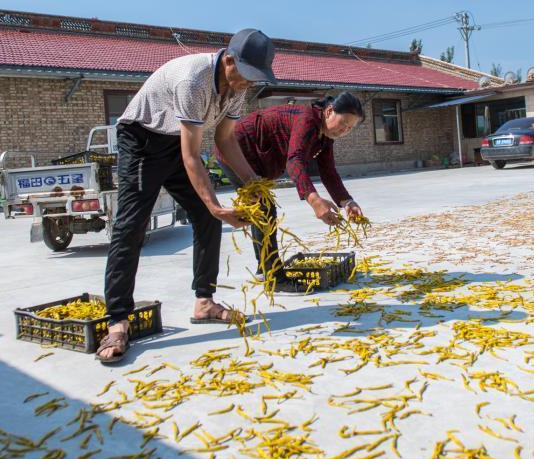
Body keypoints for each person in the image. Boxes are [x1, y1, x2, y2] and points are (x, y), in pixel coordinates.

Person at [97, 29, 277, 363]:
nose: (249, 84)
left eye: (256, 78)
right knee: (131, 225)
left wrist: (254, 183)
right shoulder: (192, 80)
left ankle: (204, 301)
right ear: (228, 60)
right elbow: (192, 157)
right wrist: (216, 205)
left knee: (207, 217)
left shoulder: (237, 87)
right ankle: (118, 320)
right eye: (247, 75)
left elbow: (225, 140)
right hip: (142, 140)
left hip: (176, 141)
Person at [216, 92, 365, 292]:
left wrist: (347, 202)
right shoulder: (307, 120)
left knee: (262, 209)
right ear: (329, 111)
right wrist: (314, 200)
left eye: (350, 128)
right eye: (343, 123)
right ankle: (274, 277)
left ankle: (265, 268)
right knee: (264, 209)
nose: (344, 130)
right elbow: (294, 160)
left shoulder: (325, 136)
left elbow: (328, 171)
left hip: (259, 159)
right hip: (237, 150)